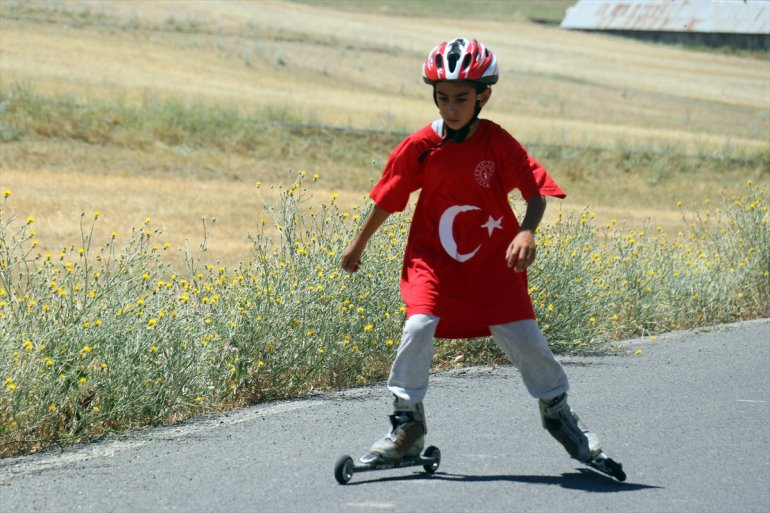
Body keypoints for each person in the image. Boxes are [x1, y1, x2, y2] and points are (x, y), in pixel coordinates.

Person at [341, 37, 603, 466]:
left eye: (461, 98)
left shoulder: (497, 142)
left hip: (493, 264)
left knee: (527, 341)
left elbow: (534, 194)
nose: (451, 107)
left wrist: (526, 231)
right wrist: (360, 241)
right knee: (419, 327)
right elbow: (391, 195)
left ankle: (558, 414)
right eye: (442, 98)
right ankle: (407, 425)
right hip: (433, 260)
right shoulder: (422, 145)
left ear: (484, 96)